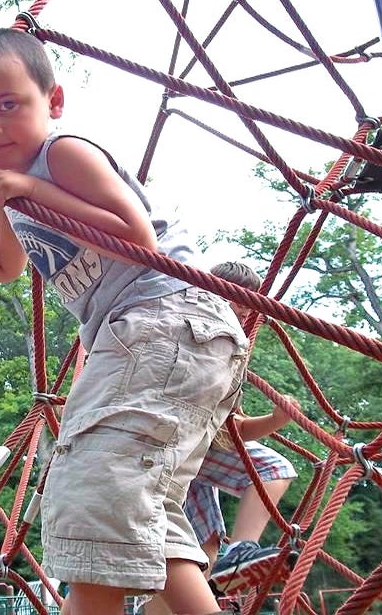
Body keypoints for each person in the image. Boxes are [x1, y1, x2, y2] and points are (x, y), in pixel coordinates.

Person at [0, 27, 247, 615]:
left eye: (7, 106)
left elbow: (135, 238)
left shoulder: (64, 152)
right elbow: (1, 264)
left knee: (93, 485)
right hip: (143, 337)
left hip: (168, 319)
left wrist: (30, 190)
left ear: (53, 102)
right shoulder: (14, 191)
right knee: (138, 500)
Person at [144, 262, 299, 614]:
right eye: (234, 298)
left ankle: (226, 566)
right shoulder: (185, 326)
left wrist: (276, 420)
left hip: (195, 453)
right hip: (164, 442)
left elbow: (232, 431)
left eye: (249, 302)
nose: (244, 309)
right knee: (273, 468)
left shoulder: (231, 349)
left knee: (201, 541)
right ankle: (237, 554)